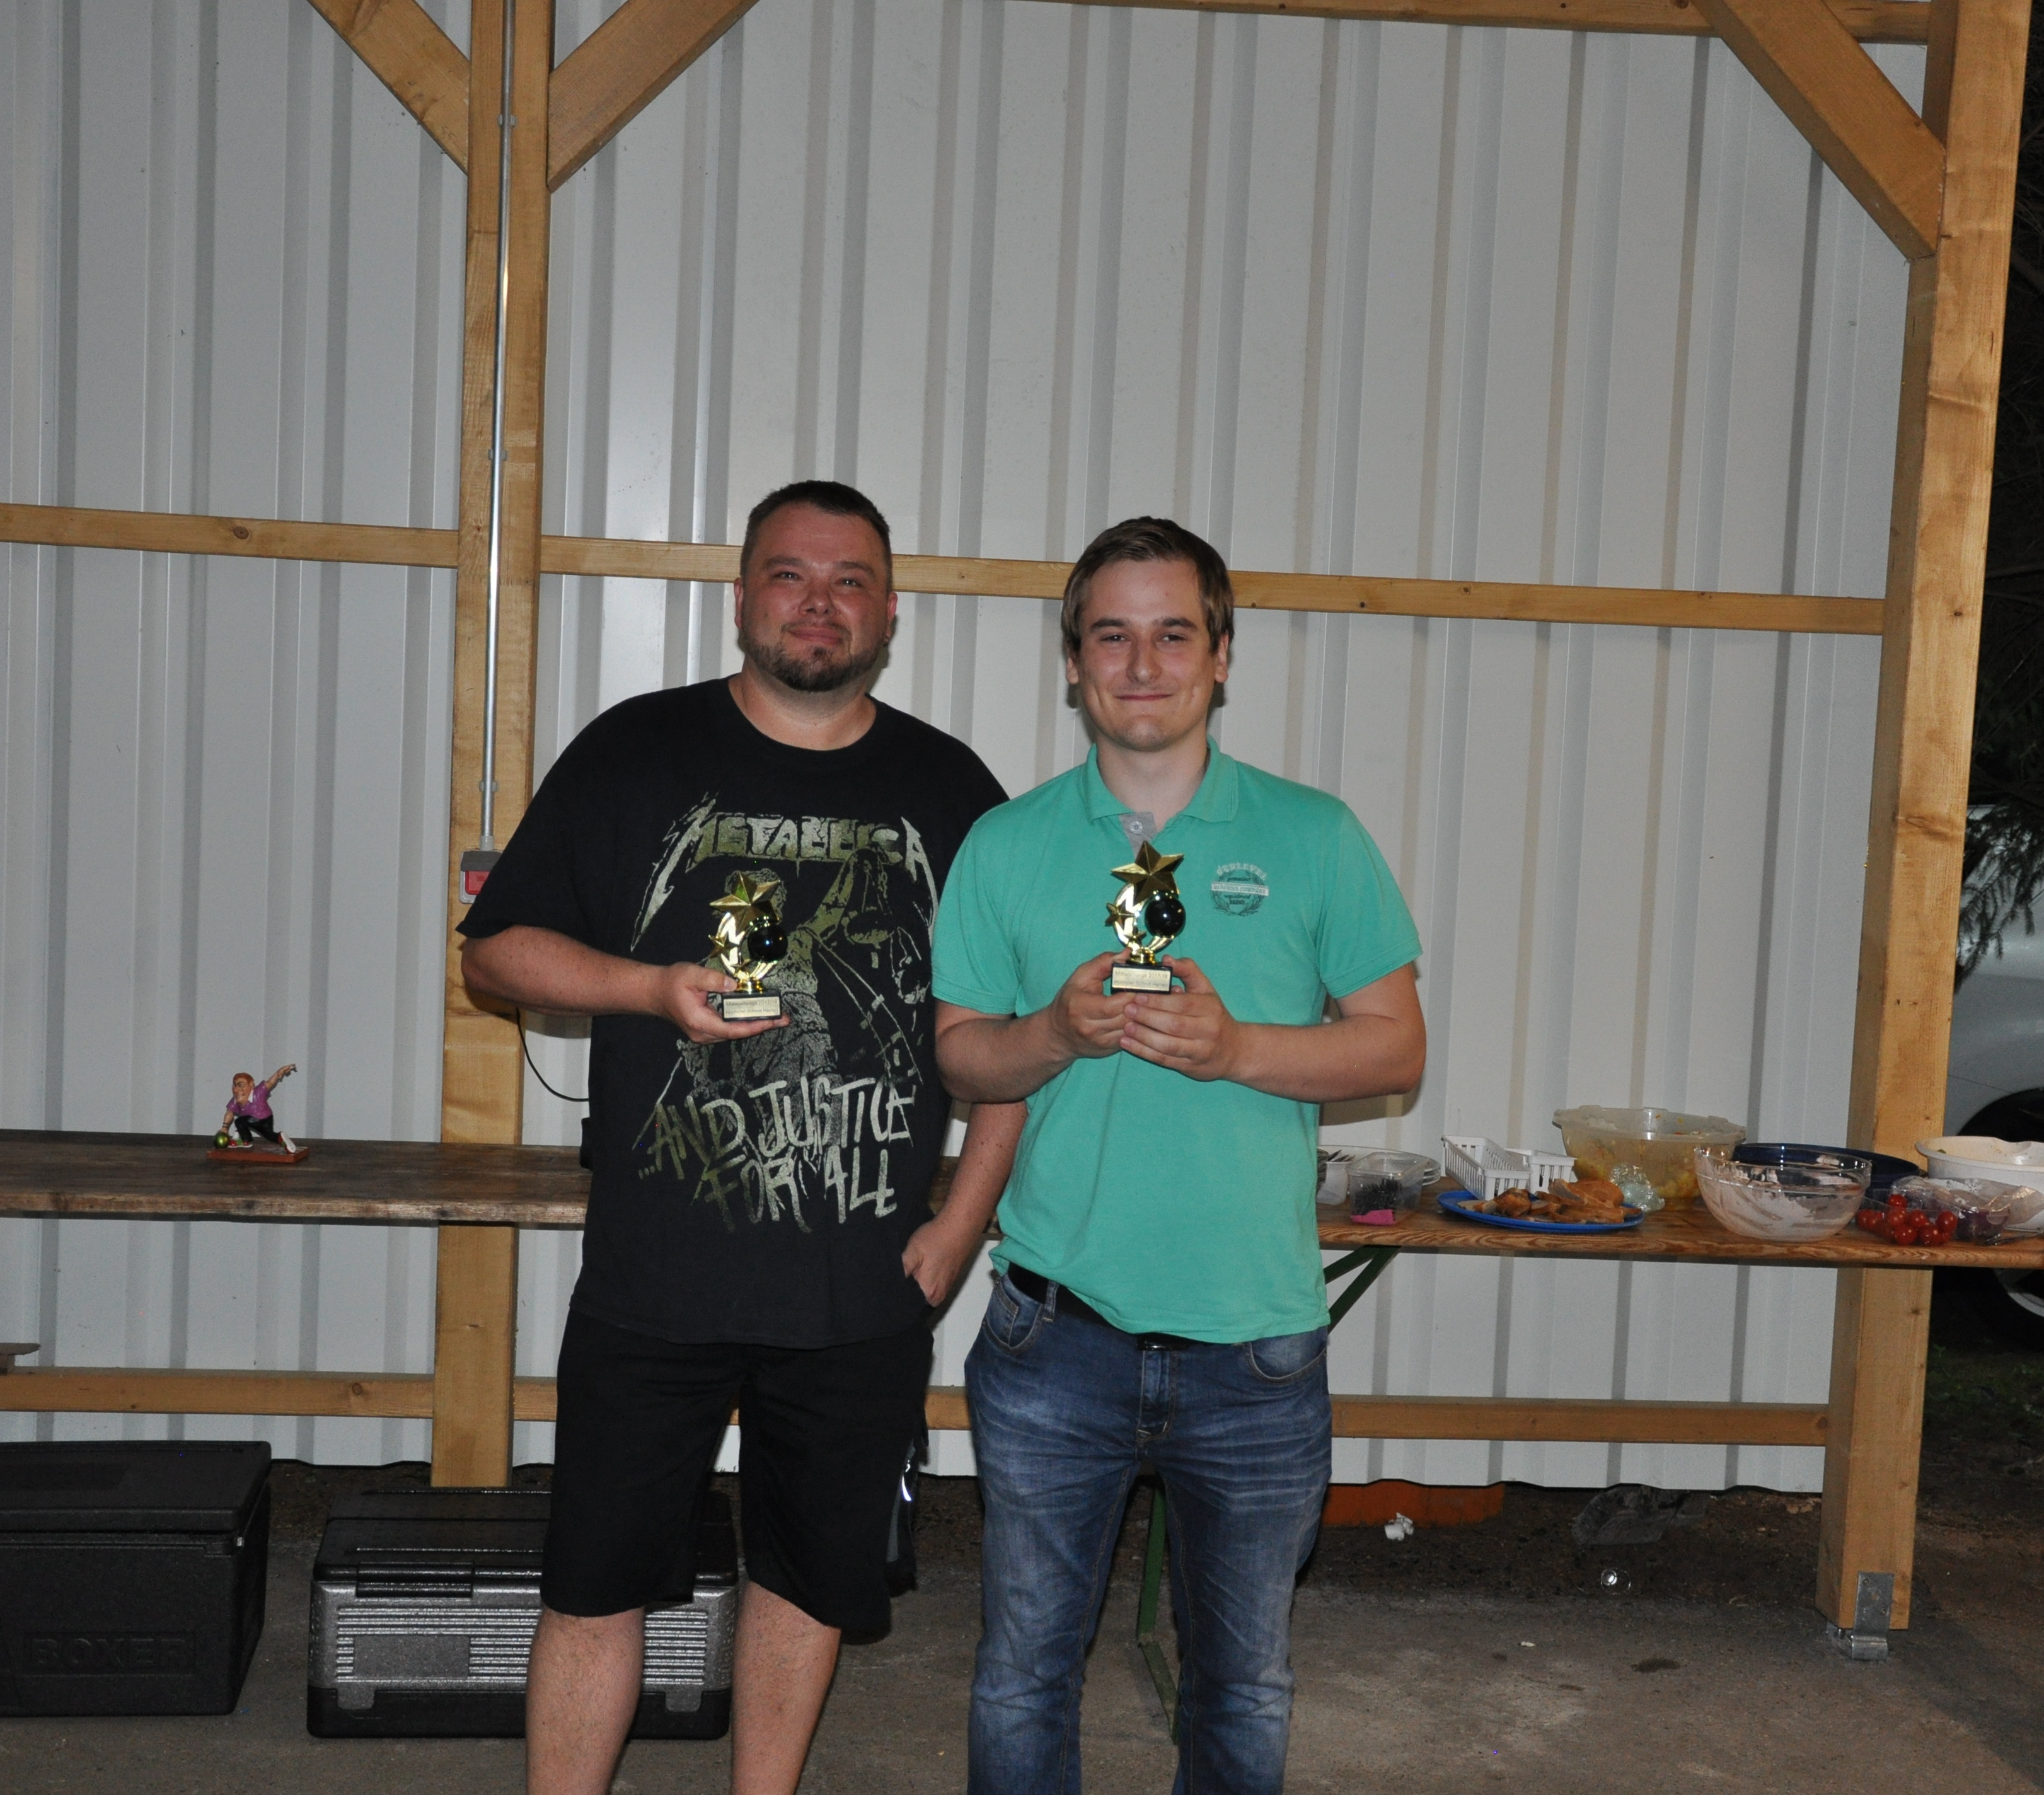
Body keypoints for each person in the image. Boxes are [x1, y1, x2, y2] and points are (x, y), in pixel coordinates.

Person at [458, 480, 1022, 1795]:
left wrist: (959, 1227)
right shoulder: (634, 749)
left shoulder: (953, 791)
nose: (818, 603)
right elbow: (496, 952)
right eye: (789, 574)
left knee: (811, 1581)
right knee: (593, 1584)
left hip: (858, 1287)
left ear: (889, 610)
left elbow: (1010, 1039)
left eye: (848, 579)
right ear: (740, 597)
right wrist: (650, 987)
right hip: (655, 1275)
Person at [931, 517, 1426, 1795]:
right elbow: (962, 1060)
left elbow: (1394, 1048)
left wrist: (1235, 1047)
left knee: (1242, 1681)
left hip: (1255, 1344)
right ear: (1071, 662)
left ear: (1220, 655)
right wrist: (1049, 1032)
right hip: (1054, 1335)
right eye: (1111, 635)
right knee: (1022, 1673)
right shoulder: (1005, 843)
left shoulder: (1315, 835)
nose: (1141, 664)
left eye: (1171, 633)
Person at [219, 1063, 297, 1150]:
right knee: (244, 1124)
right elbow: (230, 1112)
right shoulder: (235, 1100)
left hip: (265, 1119)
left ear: (251, 1085)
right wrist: (225, 1127)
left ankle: (250, 1140)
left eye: (241, 1086)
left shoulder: (258, 1092)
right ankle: (277, 1137)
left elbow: (270, 1083)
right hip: (252, 1120)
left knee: (242, 1122)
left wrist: (280, 1072)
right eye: (235, 1086)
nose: (236, 1090)